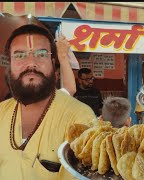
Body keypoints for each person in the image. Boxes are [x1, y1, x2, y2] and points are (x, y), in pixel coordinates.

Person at [0, 17, 96, 179]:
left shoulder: (79, 118)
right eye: (20, 55)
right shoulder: (1, 112)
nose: (31, 63)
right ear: (9, 65)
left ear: (53, 62)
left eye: (41, 54)